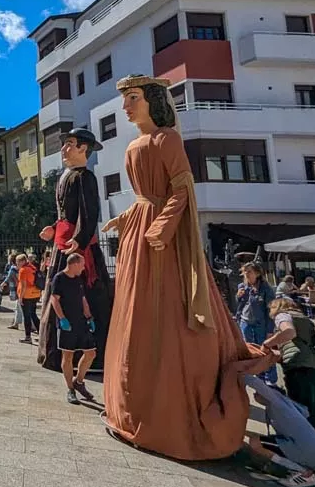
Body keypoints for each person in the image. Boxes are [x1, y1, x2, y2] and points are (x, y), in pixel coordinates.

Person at [101, 75, 267, 461]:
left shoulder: (167, 139)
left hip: (161, 237)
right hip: (139, 232)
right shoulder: (132, 147)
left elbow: (180, 190)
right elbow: (145, 197)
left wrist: (161, 226)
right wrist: (125, 218)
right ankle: (131, 403)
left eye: (134, 98)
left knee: (165, 312)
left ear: (153, 101)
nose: (126, 106)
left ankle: (167, 408)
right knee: (136, 315)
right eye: (125, 99)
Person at [37, 127, 114, 373]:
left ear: (83, 149)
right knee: (56, 295)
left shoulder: (85, 177)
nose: (63, 148)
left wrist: (79, 241)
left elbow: (88, 213)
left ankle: (92, 355)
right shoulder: (65, 176)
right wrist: (53, 227)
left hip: (78, 251)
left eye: (69, 144)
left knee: (83, 298)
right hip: (63, 245)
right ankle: (54, 353)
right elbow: (65, 214)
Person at [262, 298, 315, 456]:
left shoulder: (283, 316)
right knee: (311, 410)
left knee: (302, 411)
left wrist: (267, 344)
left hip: (301, 369)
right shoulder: (304, 318)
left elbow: (289, 332)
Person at [244, 374, 315, 487]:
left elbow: (256, 382)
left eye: (257, 393)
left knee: (255, 442)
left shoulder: (277, 403)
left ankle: (304, 474)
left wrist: (239, 372)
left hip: (309, 452)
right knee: (274, 441)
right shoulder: (290, 406)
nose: (254, 394)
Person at [50, 253, 97, 404]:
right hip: (67, 323)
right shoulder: (59, 278)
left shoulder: (78, 279)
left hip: (81, 322)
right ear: (74, 264)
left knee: (91, 353)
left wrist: (89, 317)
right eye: (82, 265)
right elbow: (54, 300)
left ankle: (79, 381)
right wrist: (62, 319)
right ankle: (70, 389)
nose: (84, 268)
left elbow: (83, 299)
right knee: (68, 356)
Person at [237, 262, 279, 385]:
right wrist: (238, 297)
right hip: (245, 322)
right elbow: (240, 304)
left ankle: (271, 379)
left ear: (257, 273)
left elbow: (271, 310)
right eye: (244, 272)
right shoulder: (243, 286)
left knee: (264, 350)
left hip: (261, 324)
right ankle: (257, 376)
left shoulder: (266, 289)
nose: (246, 274)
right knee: (250, 350)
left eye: (249, 272)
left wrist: (270, 330)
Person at [16, 254, 41, 344]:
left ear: (22, 261)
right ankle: (42, 334)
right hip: (35, 294)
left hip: (26, 295)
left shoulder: (23, 270)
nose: (17, 264)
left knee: (27, 316)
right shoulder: (33, 268)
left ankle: (28, 337)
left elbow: (23, 285)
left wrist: (21, 298)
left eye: (18, 262)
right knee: (33, 314)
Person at [2, 254, 22, 330]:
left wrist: (3, 284)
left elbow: (8, 278)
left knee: (21, 307)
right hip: (20, 289)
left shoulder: (13, 269)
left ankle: (34, 326)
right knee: (19, 307)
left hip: (17, 289)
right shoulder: (21, 268)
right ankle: (16, 323)